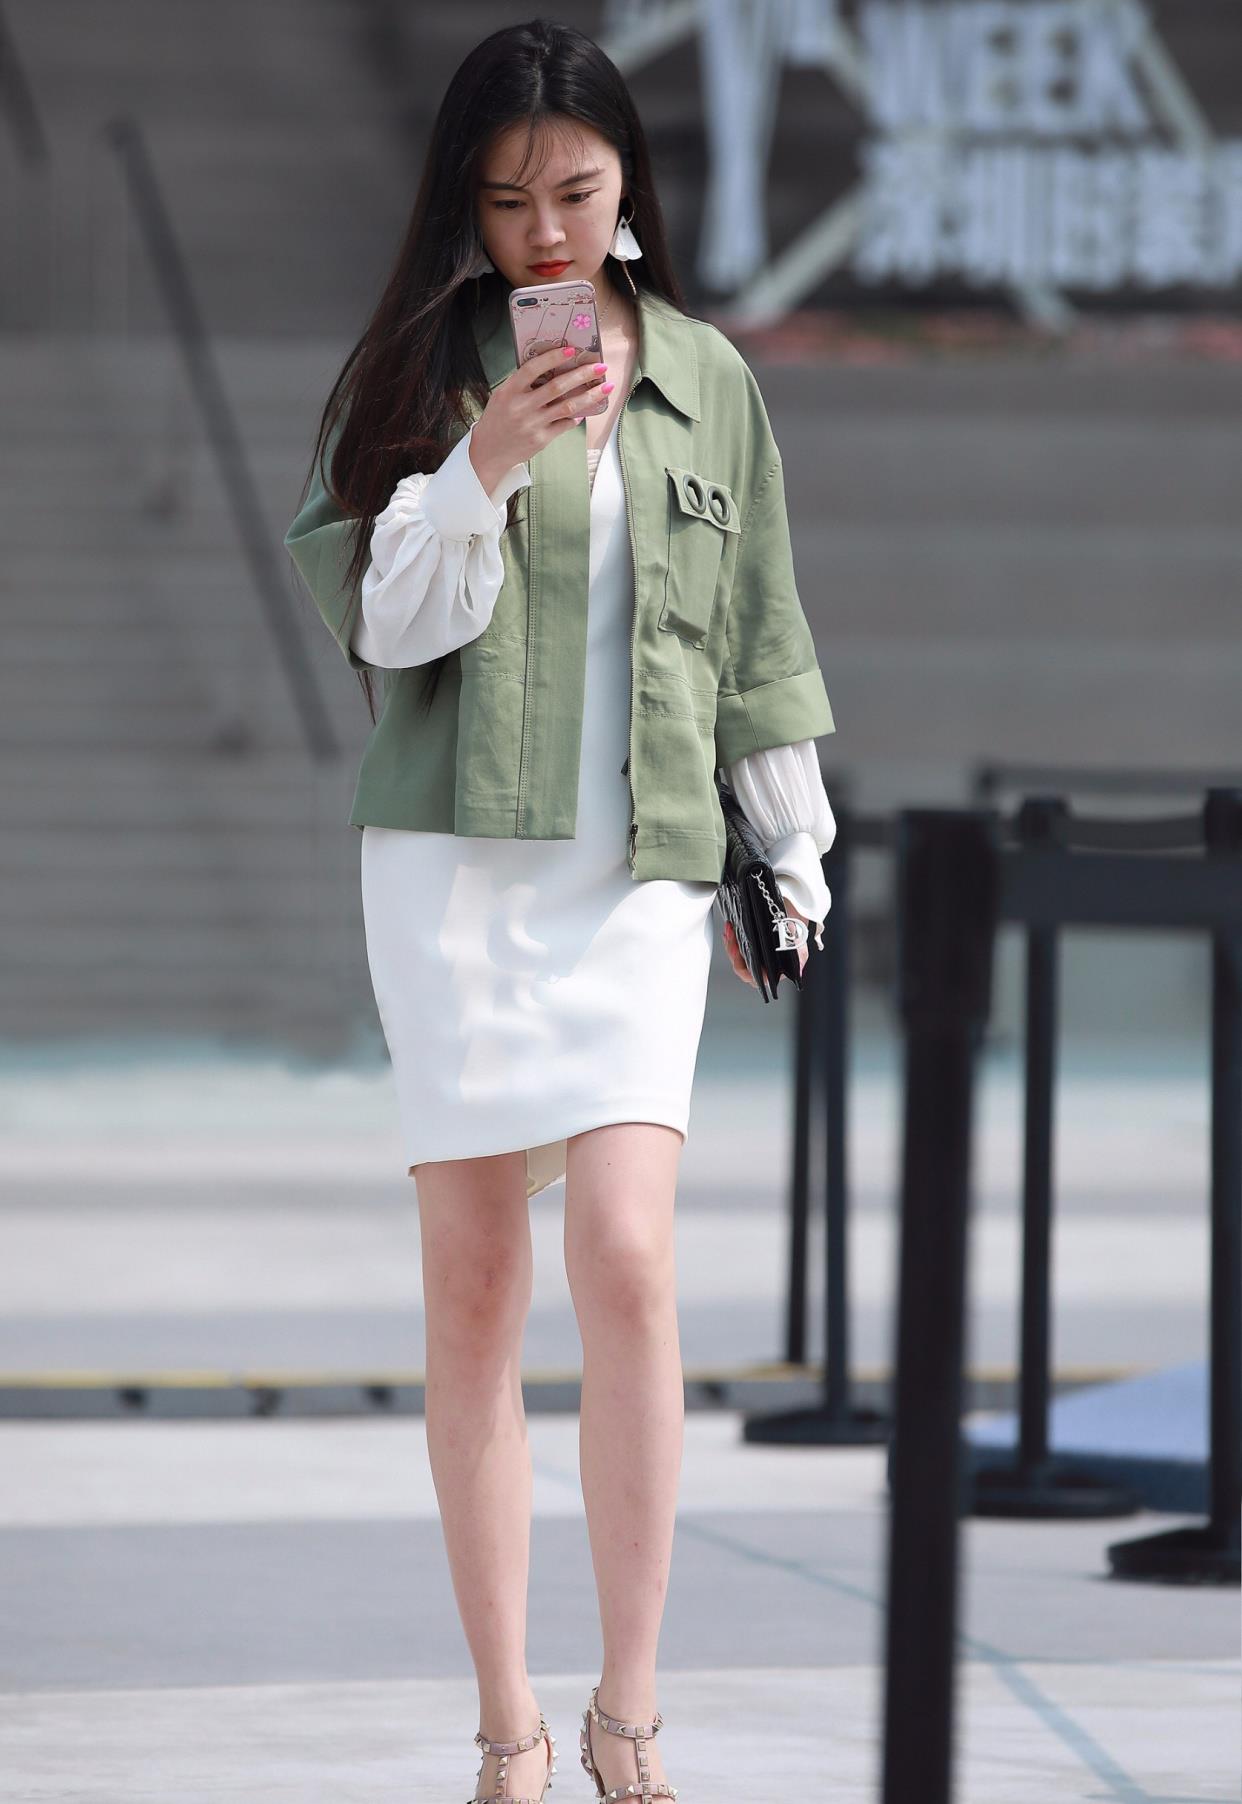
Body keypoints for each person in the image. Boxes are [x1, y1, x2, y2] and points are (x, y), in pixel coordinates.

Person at [283, 18, 837, 1803]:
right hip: (452, 871)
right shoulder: (413, 370)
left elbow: (757, 633)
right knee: (472, 1292)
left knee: (628, 1257)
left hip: (639, 871)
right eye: (509, 197)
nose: (545, 232)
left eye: (577, 194)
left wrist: (788, 852)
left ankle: (631, 1707)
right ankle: (509, 1722)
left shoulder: (709, 376)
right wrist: (486, 466)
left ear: (628, 188)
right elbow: (383, 628)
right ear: (464, 199)